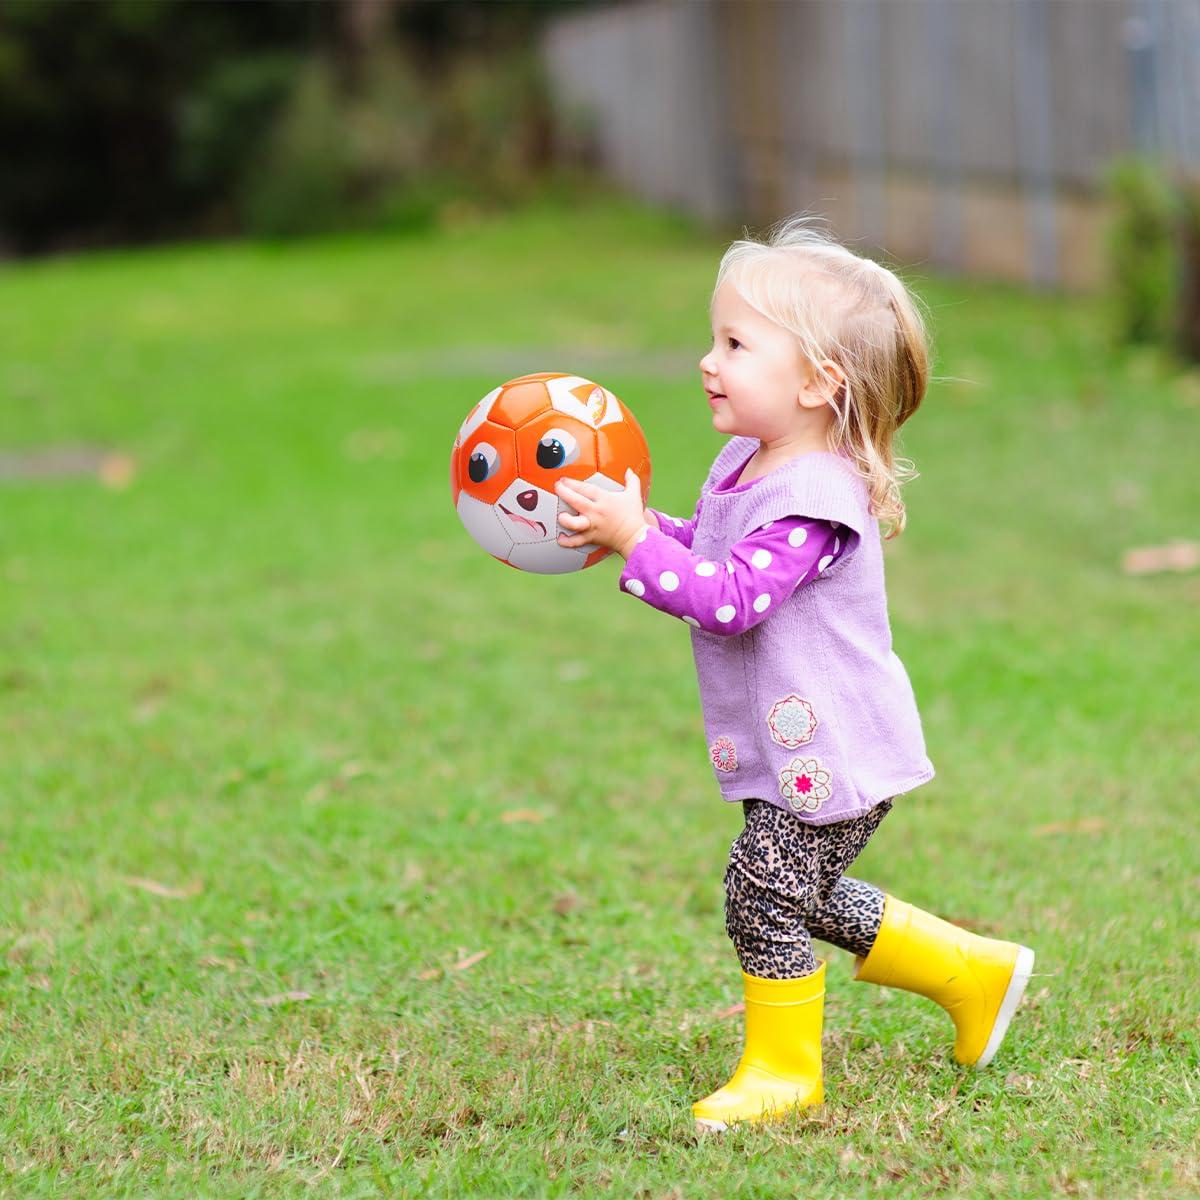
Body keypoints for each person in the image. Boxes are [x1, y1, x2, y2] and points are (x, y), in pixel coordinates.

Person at [553, 215, 1035, 1131]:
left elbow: (733, 595)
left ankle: (785, 1071)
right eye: (714, 337)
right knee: (797, 890)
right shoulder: (749, 460)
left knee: (762, 888)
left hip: (839, 746)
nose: (708, 359)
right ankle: (974, 972)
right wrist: (642, 527)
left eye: (736, 343)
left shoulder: (816, 498)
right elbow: (711, 547)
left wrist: (631, 541)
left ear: (818, 383)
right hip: (795, 736)